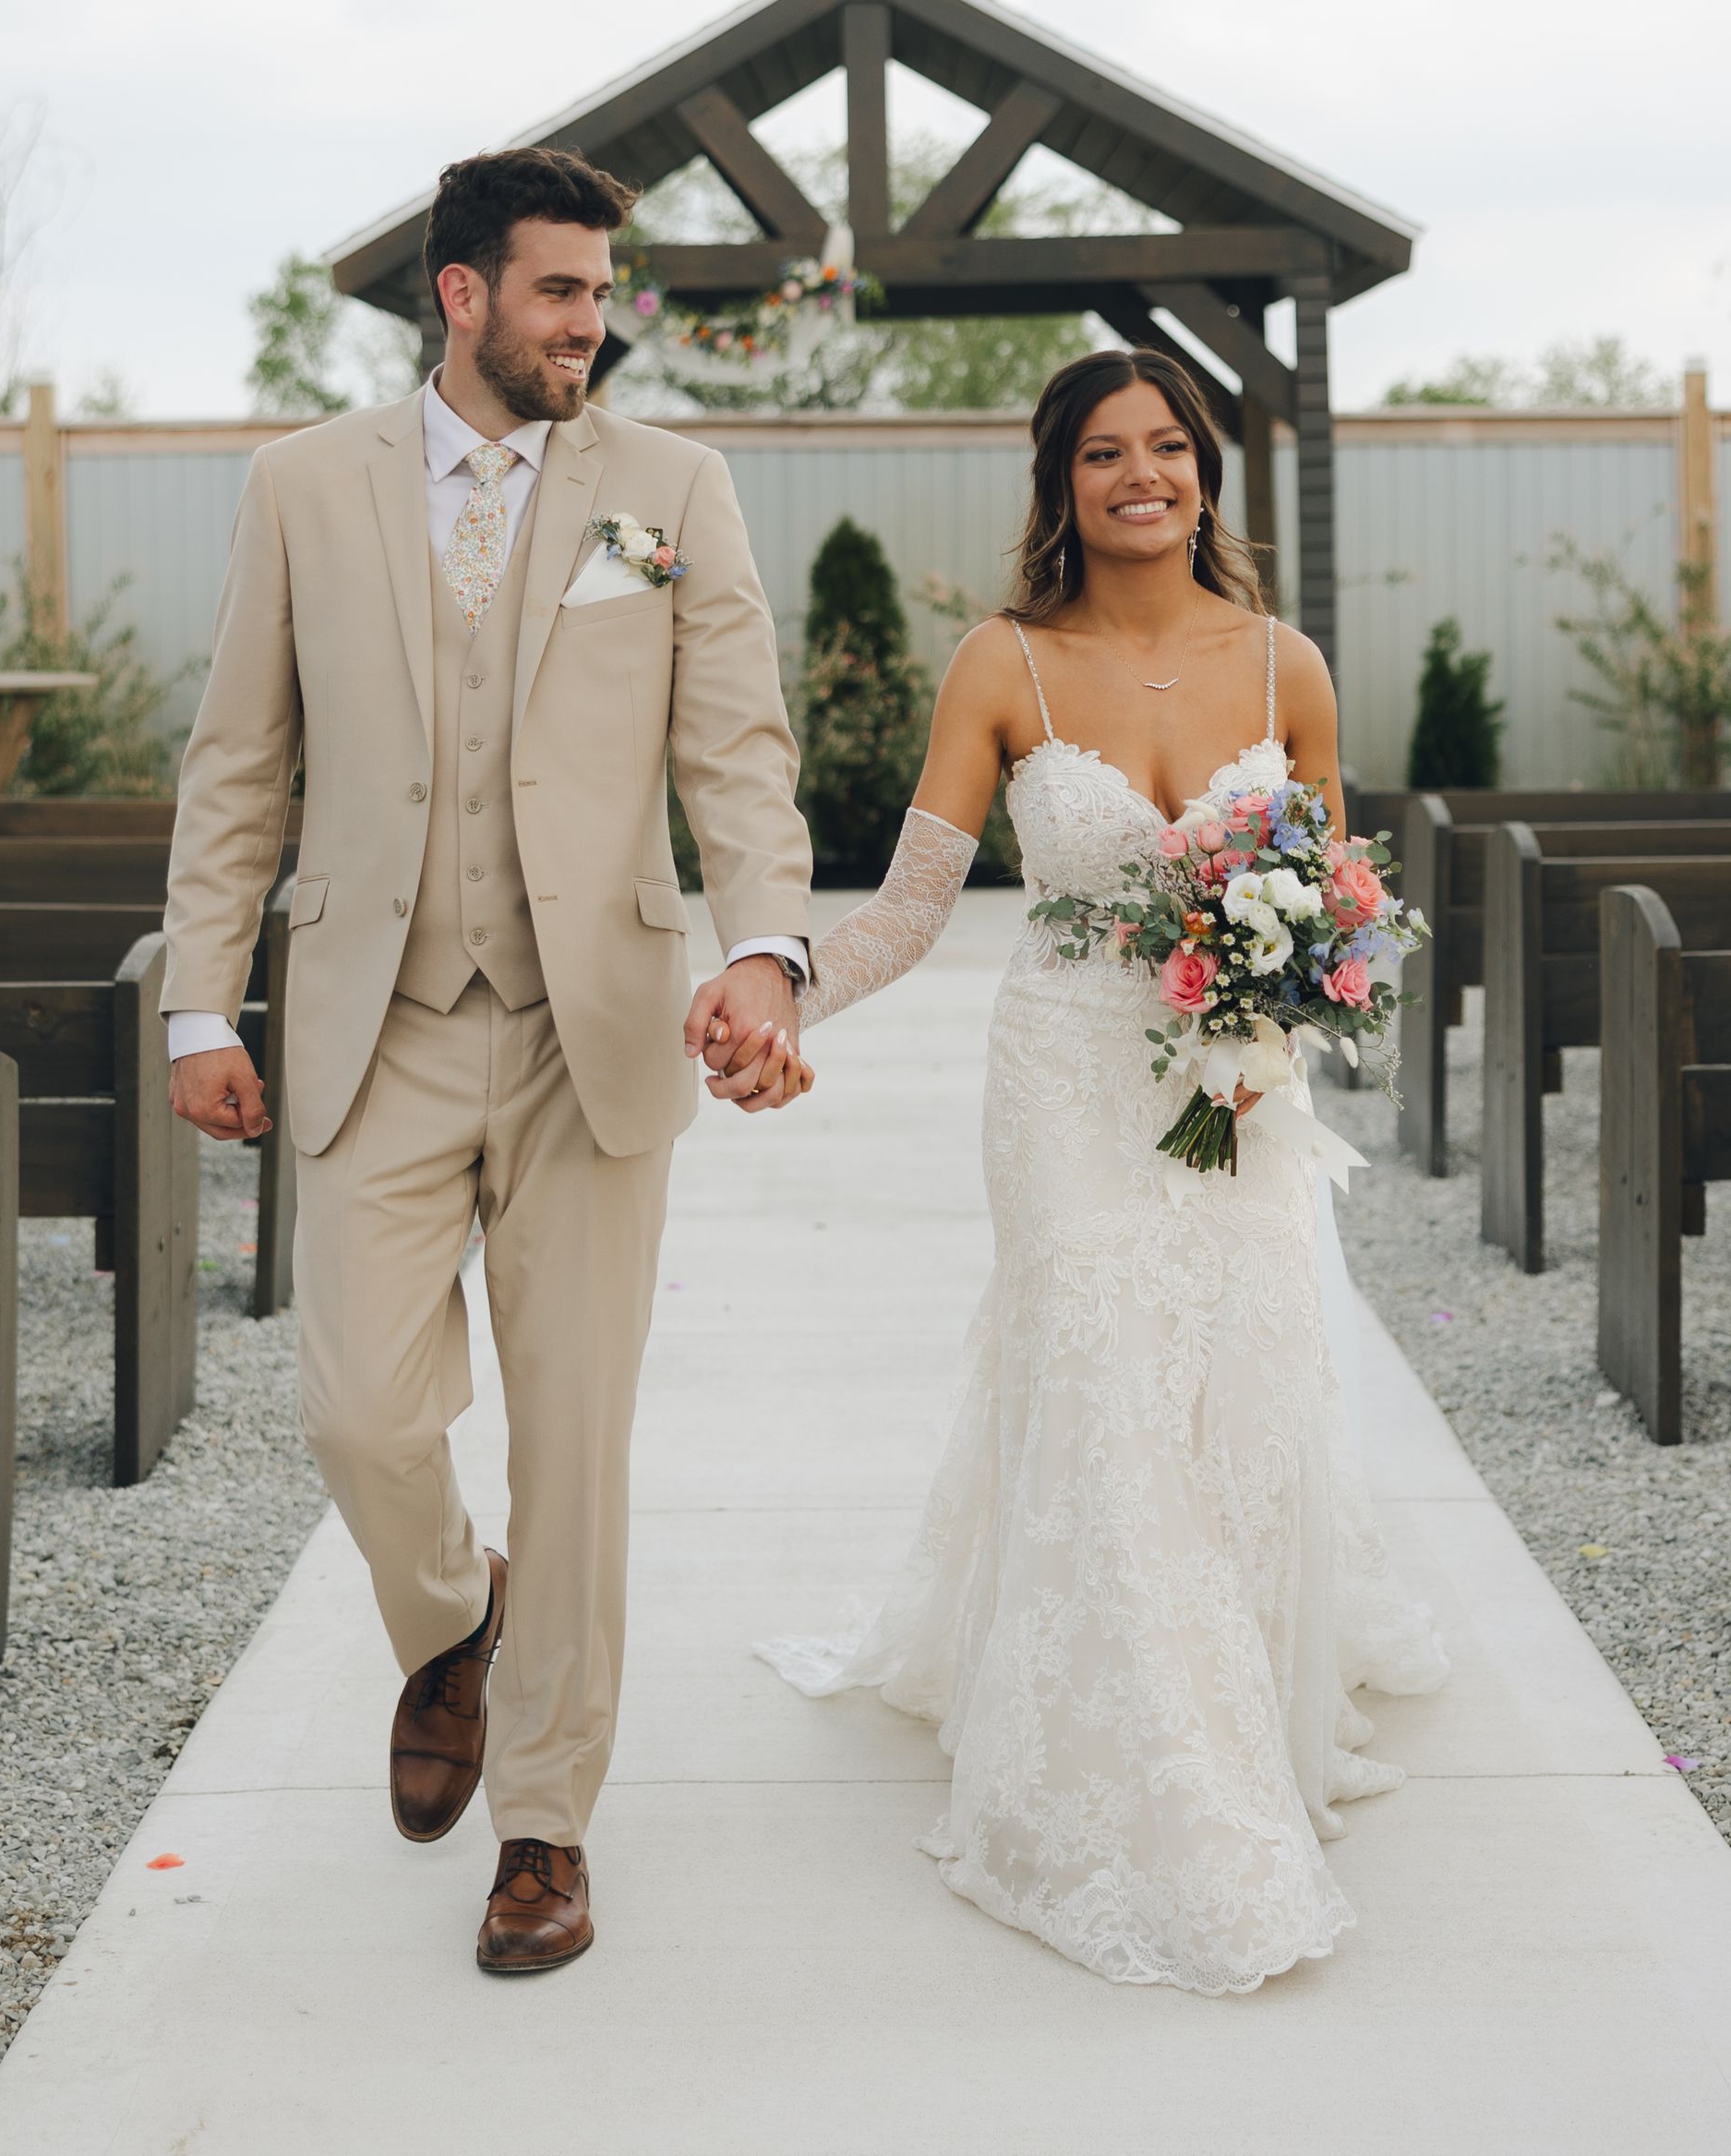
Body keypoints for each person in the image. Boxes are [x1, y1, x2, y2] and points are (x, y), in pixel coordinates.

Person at [163, 146, 814, 1975]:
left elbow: (738, 751)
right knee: (361, 1413)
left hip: (589, 1030)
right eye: (557, 292)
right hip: (374, 1021)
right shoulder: (302, 488)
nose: (587, 325)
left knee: (577, 1443)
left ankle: (545, 1827)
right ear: (462, 294)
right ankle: (458, 1617)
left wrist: (765, 953)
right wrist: (202, 1002)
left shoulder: (667, 491)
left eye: (603, 294)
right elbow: (240, 761)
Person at [759, 347, 1447, 1995]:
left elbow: (1340, 890)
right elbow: (918, 904)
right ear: (1058, 484)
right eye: (1103, 455)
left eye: (1169, 449)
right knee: (1099, 1372)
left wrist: (1296, 990)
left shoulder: (1287, 665)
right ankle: (1158, 1776)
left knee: (1234, 1379)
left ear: (1207, 472)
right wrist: (791, 988)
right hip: (1066, 1078)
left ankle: (1242, 1693)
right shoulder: (1005, 665)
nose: (1142, 476)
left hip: (1237, 1091)